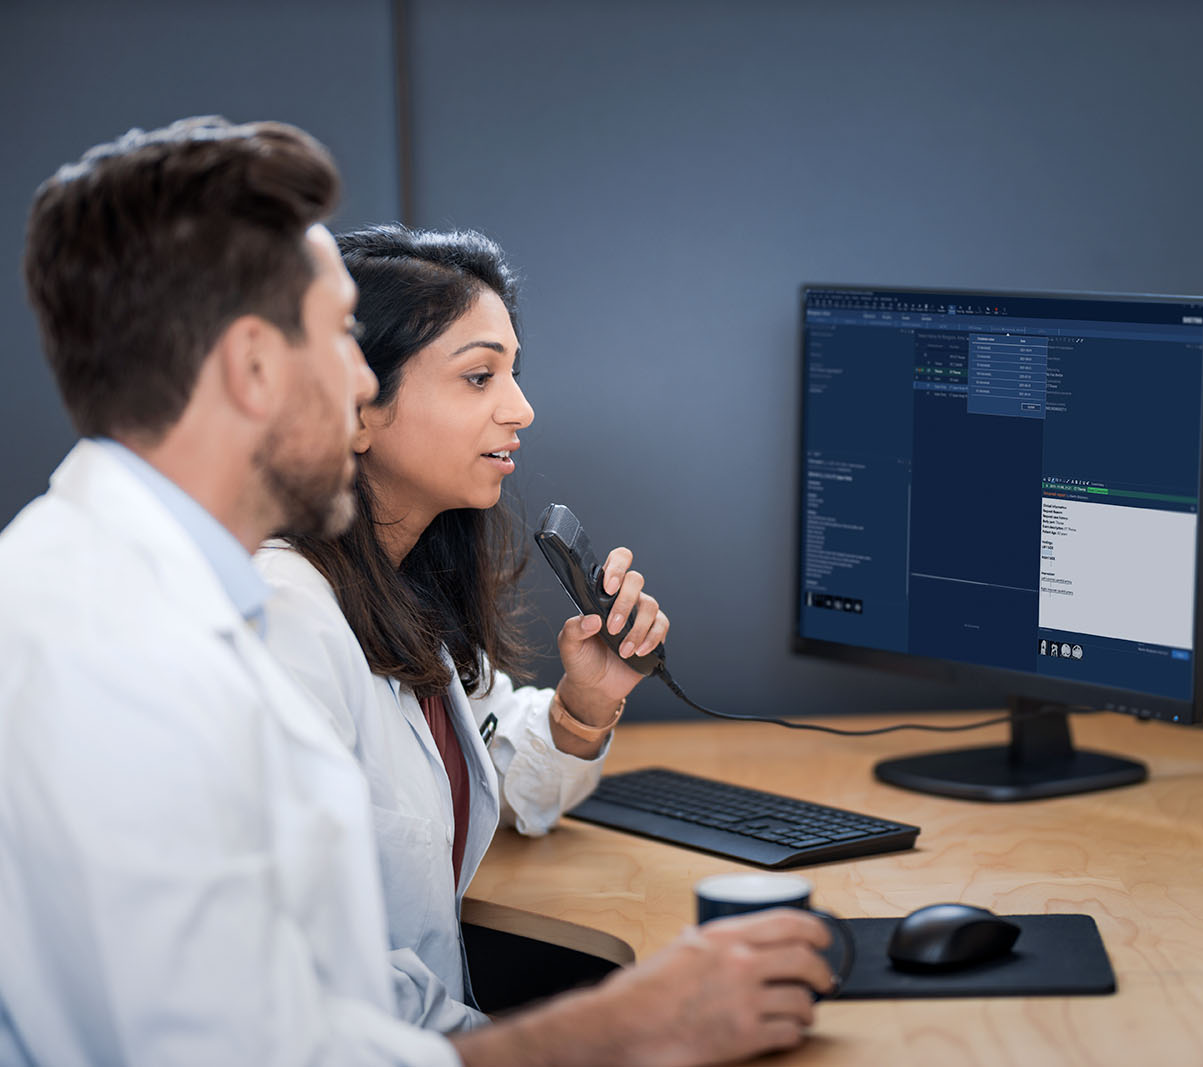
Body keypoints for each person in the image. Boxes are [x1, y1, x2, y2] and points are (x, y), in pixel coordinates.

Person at [0, 116, 831, 1067]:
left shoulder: (141, 589)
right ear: (254, 367)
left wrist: (578, 713)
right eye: (335, 338)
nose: (360, 378)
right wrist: (633, 1024)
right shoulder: (135, 665)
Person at [254, 223, 665, 1030]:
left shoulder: (395, 582)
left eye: (513, 373)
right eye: (480, 377)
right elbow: (315, 985)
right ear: (355, 408)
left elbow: (486, 764)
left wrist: (585, 707)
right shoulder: (285, 619)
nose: (522, 408)